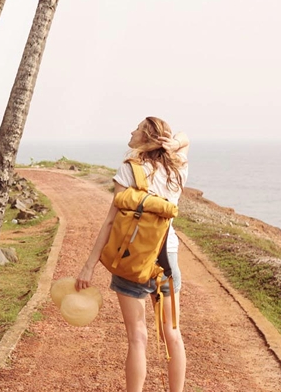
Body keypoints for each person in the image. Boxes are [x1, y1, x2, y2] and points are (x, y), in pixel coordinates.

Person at [76, 116, 190, 392]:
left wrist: (89, 266)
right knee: (172, 334)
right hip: (167, 259)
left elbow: (111, 222)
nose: (131, 130)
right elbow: (186, 140)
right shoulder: (178, 170)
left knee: (137, 337)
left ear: (148, 138)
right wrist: (175, 142)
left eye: (137, 129)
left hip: (131, 260)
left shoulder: (128, 170)